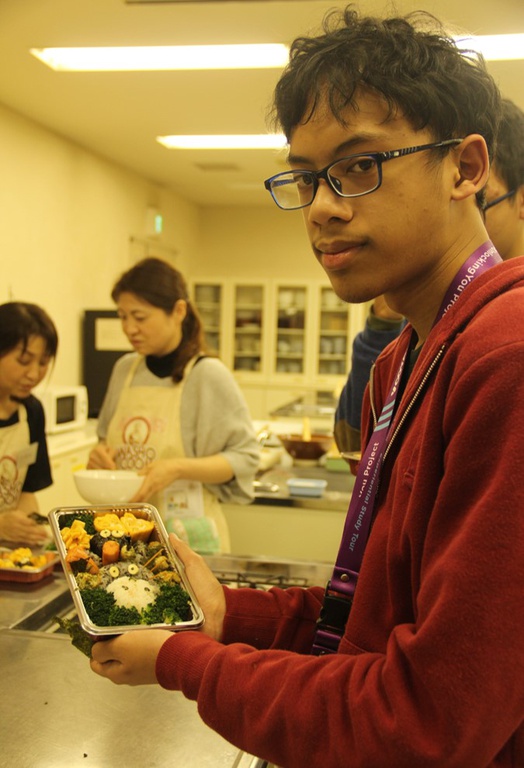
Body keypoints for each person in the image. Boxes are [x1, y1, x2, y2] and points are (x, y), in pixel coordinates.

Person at [90, 8, 524, 767]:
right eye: (305, 176)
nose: (321, 206)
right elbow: (376, 618)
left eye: (360, 166)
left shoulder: (505, 355)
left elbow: (428, 724)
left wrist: (181, 661)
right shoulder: (407, 357)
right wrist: (233, 613)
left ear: (465, 167)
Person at [335, 97, 524, 454]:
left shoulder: (509, 345)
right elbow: (353, 445)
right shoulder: (416, 333)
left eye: (484, 200)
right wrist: (383, 319)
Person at [87, 257, 259, 554]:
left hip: (189, 538)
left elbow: (244, 458)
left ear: (178, 311)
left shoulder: (207, 375)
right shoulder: (124, 370)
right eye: (123, 317)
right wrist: (99, 459)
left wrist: (177, 468)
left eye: (139, 318)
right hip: (123, 534)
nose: (129, 328)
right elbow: (105, 440)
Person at [0, 301, 58, 545]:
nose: (34, 374)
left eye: (43, 363)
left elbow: (25, 491)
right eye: (24, 361)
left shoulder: (31, 411)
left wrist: (30, 530)